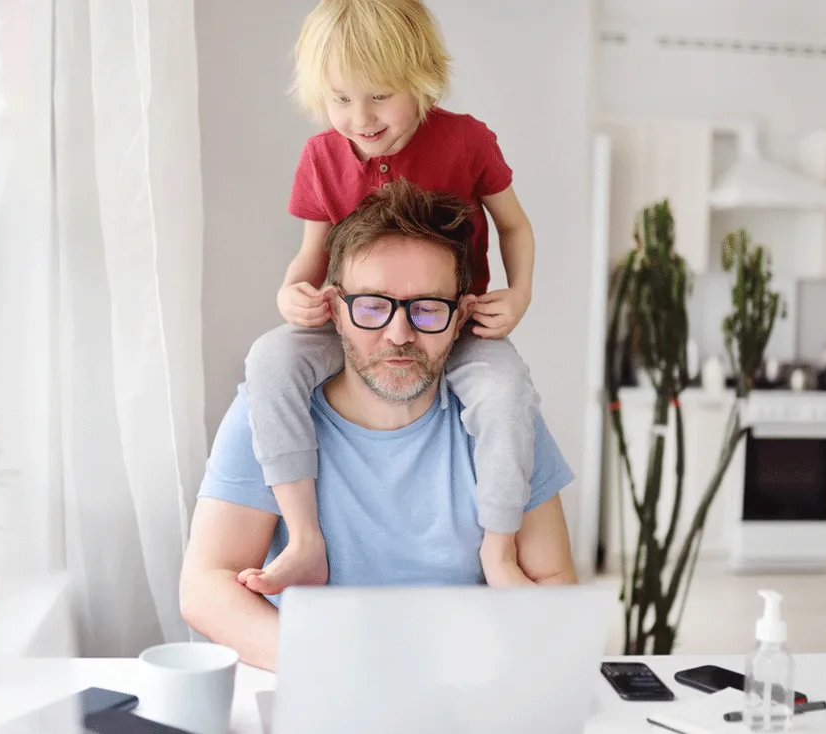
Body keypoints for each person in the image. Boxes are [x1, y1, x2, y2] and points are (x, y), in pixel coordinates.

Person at [180, 181, 576, 672]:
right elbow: (204, 589)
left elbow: (553, 586)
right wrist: (342, 670)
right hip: (323, 685)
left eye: (428, 308)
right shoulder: (267, 411)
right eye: (371, 307)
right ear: (335, 311)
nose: (398, 334)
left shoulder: (507, 419)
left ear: (462, 317)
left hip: (463, 691)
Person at [241, 0, 542, 594]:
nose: (360, 118)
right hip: (353, 327)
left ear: (422, 76)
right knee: (269, 359)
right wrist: (290, 290)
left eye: (379, 95)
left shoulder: (467, 140)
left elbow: (515, 226)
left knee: (508, 391)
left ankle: (499, 552)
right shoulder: (321, 157)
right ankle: (304, 539)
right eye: (340, 99)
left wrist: (520, 293)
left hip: (453, 329)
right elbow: (312, 253)